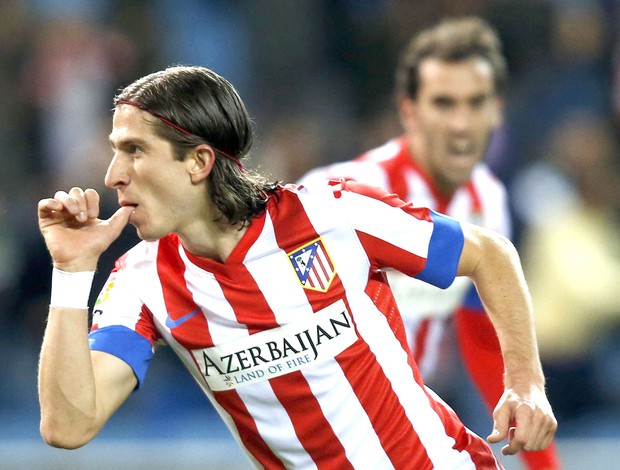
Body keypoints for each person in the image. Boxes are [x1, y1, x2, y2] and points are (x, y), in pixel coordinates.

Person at [37, 65, 556, 469]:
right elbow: (69, 424)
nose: (112, 175)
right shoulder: (142, 280)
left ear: (198, 162)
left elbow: (489, 253)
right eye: (114, 151)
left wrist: (526, 383)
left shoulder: (333, 215)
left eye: (134, 151)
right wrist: (71, 271)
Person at [297, 16, 561, 469]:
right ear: (409, 110)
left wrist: (544, 465)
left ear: (497, 109)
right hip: (329, 440)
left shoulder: (487, 200)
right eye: (444, 103)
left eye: (476, 103)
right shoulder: (337, 194)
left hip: (408, 433)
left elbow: (483, 335)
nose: (462, 124)